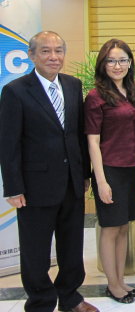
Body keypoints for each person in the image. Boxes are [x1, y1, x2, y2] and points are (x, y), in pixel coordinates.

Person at [0, 31, 98, 312]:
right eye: (45, 51)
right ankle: (41, 302)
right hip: (34, 186)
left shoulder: (72, 85)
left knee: (71, 246)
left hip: (71, 183)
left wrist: (85, 174)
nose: (53, 57)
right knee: (35, 251)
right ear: (32, 55)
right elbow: (8, 144)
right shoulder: (15, 90)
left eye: (58, 51)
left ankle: (70, 297)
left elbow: (78, 135)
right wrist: (14, 187)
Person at [85, 39, 135, 304]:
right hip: (109, 169)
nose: (117, 65)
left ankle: (121, 279)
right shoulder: (96, 96)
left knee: (123, 227)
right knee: (110, 228)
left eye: (122, 60)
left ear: (130, 63)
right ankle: (113, 284)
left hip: (131, 166)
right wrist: (101, 180)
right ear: (103, 64)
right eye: (111, 60)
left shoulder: (133, 91)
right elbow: (92, 142)